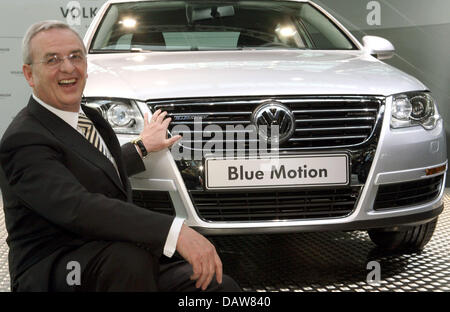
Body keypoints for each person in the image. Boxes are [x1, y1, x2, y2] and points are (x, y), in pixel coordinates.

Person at [0, 20, 240, 292]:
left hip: (113, 256)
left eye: (75, 56)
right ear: (29, 75)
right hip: (56, 267)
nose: (68, 67)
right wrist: (175, 232)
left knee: (218, 288)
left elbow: (91, 168)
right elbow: (77, 207)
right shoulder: (23, 138)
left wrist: (141, 147)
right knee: (128, 261)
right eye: (52, 59)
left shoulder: (90, 119)